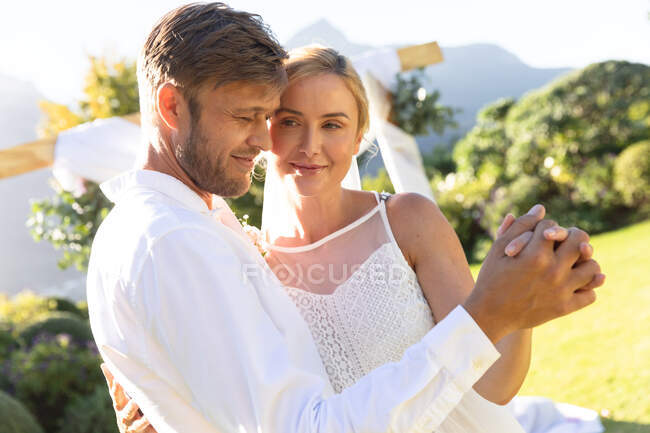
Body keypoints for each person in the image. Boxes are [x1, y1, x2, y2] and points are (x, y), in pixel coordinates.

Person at [87, 3, 604, 433]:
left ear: (359, 138)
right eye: (250, 118)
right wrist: (488, 314)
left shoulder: (200, 221)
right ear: (173, 107)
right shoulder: (172, 240)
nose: (265, 140)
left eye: (268, 119)